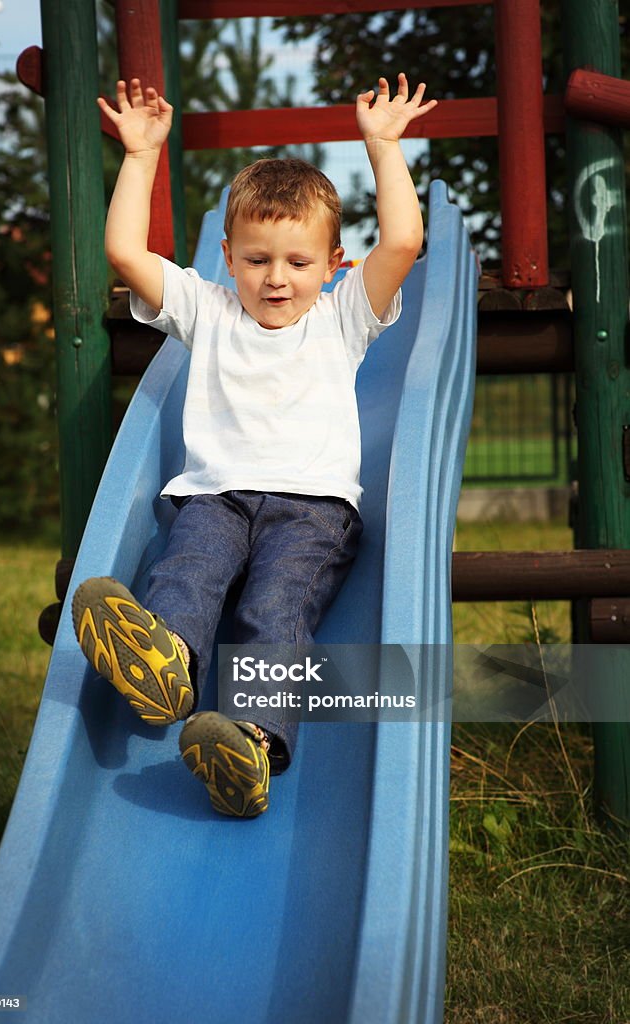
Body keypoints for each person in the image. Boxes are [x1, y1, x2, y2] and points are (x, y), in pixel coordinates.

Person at [72, 73, 437, 819]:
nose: (276, 278)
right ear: (228, 260)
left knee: (276, 608)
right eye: (257, 259)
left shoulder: (342, 319)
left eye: (298, 262)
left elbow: (402, 240)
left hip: (312, 512)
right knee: (188, 571)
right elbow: (122, 250)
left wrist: (383, 145)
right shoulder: (206, 311)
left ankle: (248, 747)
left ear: (332, 264)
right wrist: (141, 155)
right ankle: (165, 665)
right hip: (214, 496)